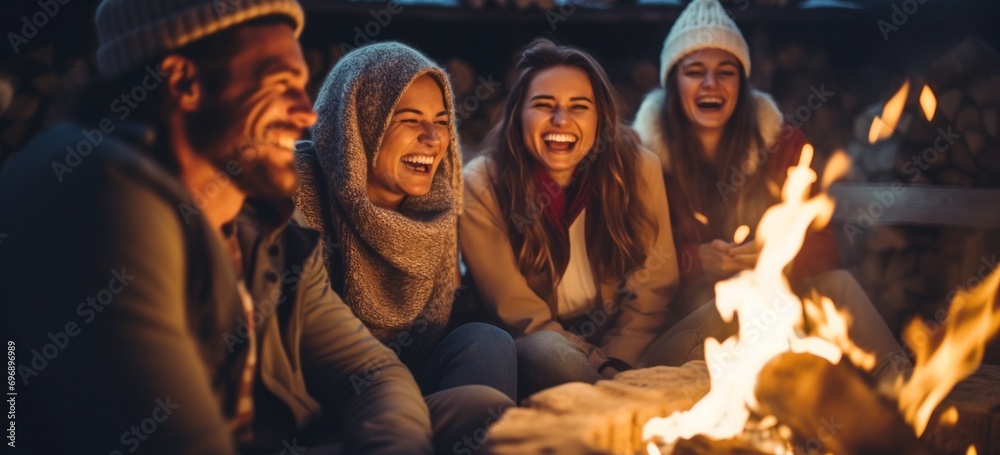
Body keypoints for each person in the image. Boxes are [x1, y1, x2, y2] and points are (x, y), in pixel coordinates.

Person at [0, 1, 508, 453]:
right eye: (279, 85)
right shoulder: (99, 187)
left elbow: (371, 371)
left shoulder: (266, 229)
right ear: (185, 83)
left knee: (483, 409)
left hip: (295, 432)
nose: (306, 116)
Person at [631, 0, 908, 378]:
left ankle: (907, 395)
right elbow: (628, 264)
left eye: (725, 72)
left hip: (765, 313)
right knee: (748, 300)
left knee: (837, 284)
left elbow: (825, 247)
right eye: (695, 71)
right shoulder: (641, 156)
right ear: (672, 82)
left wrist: (777, 254)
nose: (710, 84)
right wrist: (696, 260)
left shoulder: (782, 143)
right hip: (681, 334)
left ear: (741, 84)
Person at [293, 42, 518, 403]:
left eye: (442, 123)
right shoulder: (296, 190)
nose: (432, 139)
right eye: (411, 120)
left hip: (405, 386)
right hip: (315, 393)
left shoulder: (436, 209)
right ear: (357, 123)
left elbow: (434, 337)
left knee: (488, 342)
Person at [459, 38, 680, 398]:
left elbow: (655, 286)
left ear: (600, 117)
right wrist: (598, 364)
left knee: (714, 318)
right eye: (543, 105)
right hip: (542, 344)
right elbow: (517, 311)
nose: (561, 120)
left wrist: (619, 360)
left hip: (629, 340)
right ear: (518, 116)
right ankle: (620, 420)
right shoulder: (482, 183)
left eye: (579, 107)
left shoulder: (639, 168)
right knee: (551, 351)